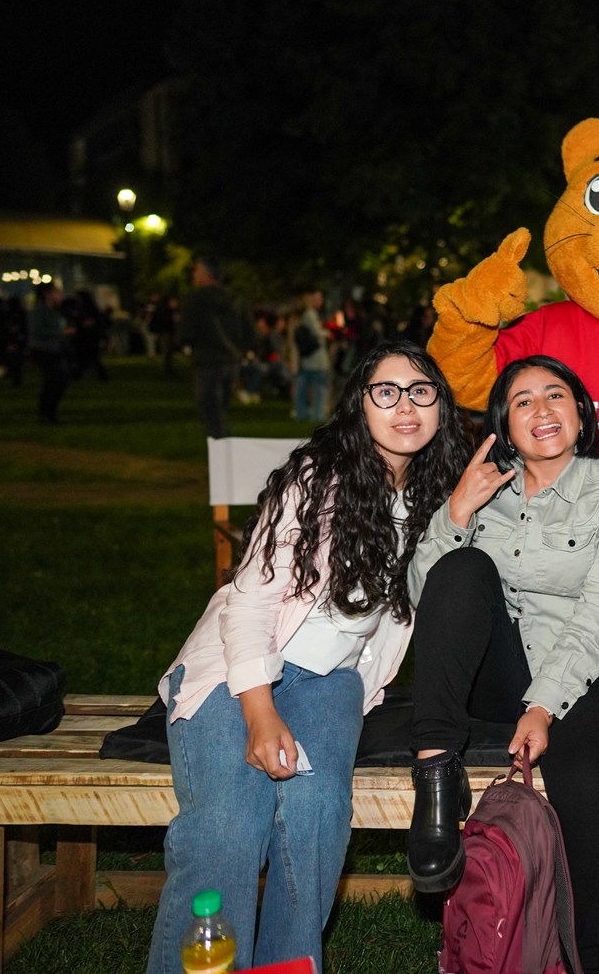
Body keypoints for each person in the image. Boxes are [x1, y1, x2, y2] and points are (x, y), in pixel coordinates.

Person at [145, 340, 469, 974]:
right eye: (386, 391)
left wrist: (456, 512)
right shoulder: (316, 478)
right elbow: (250, 604)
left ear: (441, 406)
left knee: (317, 822)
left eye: (421, 391)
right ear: (360, 405)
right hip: (239, 669)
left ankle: (287, 966)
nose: (405, 406)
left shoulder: (436, 491)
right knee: (228, 829)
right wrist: (261, 713)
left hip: (332, 682)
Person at [406, 354, 599, 974]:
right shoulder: (482, 488)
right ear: (503, 424)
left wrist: (544, 704)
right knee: (461, 567)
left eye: (556, 396)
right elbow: (425, 604)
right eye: (523, 401)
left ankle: (589, 960)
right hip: (493, 675)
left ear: (580, 410)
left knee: (590, 789)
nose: (542, 411)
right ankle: (435, 774)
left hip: (582, 672)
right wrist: (457, 511)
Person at [178, 258, 251, 437]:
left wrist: (184, 342)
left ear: (206, 273)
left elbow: (187, 330)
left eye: (196, 270)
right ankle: (224, 445)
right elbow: (249, 329)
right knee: (220, 409)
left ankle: (220, 449)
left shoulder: (196, 298)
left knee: (210, 410)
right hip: (231, 361)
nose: (194, 274)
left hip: (207, 361)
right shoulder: (236, 299)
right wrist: (241, 351)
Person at [27, 284, 72, 424]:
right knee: (53, 381)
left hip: (53, 349)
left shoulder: (52, 310)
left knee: (58, 380)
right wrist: (61, 333)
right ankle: (47, 414)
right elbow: (37, 331)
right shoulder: (40, 310)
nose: (59, 296)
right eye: (56, 292)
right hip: (43, 350)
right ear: (47, 294)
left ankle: (48, 413)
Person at [293, 290, 331, 423]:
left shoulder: (305, 315)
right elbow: (317, 333)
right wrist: (328, 332)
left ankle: (302, 413)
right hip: (316, 359)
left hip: (308, 359)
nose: (320, 302)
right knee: (319, 387)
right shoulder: (310, 314)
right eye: (318, 299)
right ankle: (318, 414)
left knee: (303, 387)